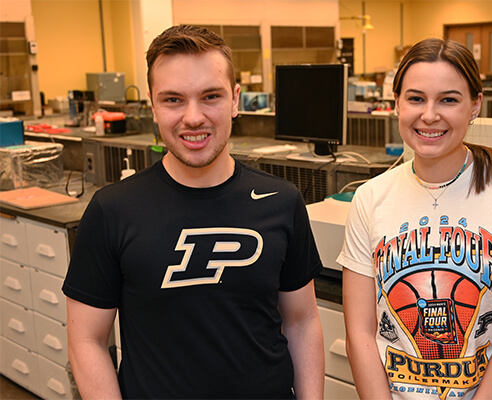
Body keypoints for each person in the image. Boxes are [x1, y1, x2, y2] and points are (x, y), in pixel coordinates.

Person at [63, 25, 324, 400]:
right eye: (173, 100)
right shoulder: (112, 210)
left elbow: (302, 321)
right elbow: (86, 340)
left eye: (210, 96)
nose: (193, 117)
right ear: (152, 106)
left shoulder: (281, 201)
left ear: (235, 100)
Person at [337, 38, 492, 400]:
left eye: (448, 99)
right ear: (395, 103)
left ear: (475, 105)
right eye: (415, 98)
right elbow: (361, 334)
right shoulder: (371, 198)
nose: (429, 115)